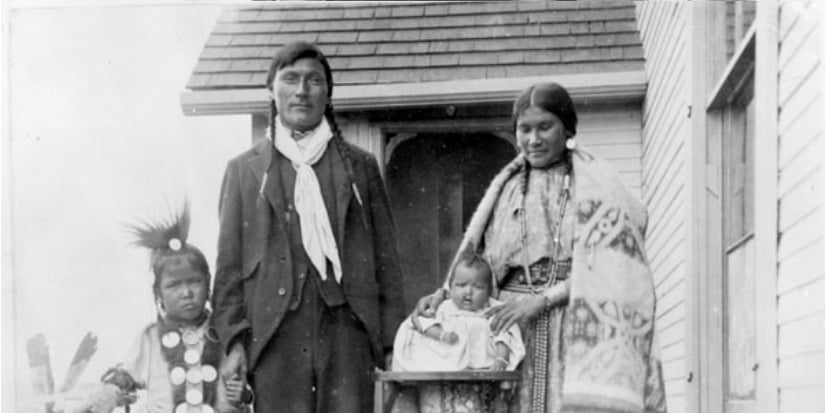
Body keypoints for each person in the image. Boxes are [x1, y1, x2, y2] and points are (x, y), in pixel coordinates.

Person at [414, 83, 667, 413]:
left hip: (575, 318)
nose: (533, 140)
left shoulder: (598, 186)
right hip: (511, 326)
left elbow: (612, 266)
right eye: (524, 129)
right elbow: (482, 263)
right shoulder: (505, 189)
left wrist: (544, 300)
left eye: (545, 127)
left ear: (567, 129)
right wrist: (444, 294)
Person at [212, 41, 405, 413]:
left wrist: (393, 343)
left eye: (314, 81)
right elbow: (228, 269)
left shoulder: (359, 167)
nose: (302, 91)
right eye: (291, 79)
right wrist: (234, 342)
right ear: (272, 90)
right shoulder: (244, 171)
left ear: (328, 94)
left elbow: (387, 263)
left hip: (348, 331)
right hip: (274, 334)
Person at [74, 205, 246, 413]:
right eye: (174, 285)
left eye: (194, 282)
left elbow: (243, 383)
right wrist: (106, 395)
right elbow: (126, 376)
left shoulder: (225, 334)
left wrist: (243, 394)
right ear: (158, 293)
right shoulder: (150, 337)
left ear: (208, 284)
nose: (186, 293)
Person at [393, 253, 524, 373]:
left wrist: (502, 358)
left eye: (477, 287)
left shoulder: (491, 310)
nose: (468, 292)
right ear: (450, 287)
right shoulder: (444, 307)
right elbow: (422, 323)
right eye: (461, 285)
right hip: (447, 360)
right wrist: (441, 335)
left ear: (489, 291)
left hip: (481, 365)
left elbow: (502, 337)